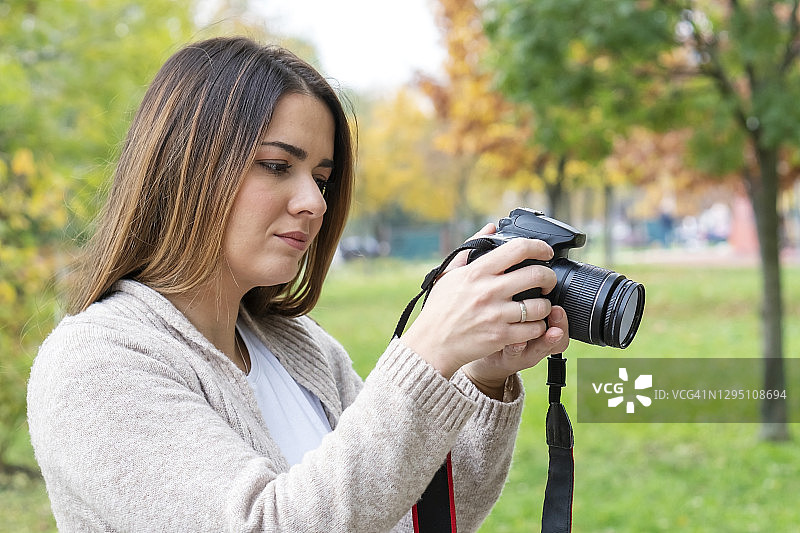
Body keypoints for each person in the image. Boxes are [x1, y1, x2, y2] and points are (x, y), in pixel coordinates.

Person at [27, 36, 569, 532]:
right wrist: (427, 351)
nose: (314, 202)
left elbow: (413, 516)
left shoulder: (299, 348)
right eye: (276, 165)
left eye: (322, 178)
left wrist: (481, 375)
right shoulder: (95, 364)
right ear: (187, 165)